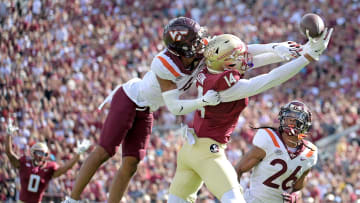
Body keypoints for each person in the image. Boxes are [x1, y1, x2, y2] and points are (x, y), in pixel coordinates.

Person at [64, 16, 305, 203]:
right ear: (181, 49)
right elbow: (175, 107)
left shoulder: (200, 49)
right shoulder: (165, 64)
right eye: (194, 42)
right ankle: (71, 198)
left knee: (132, 163)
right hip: (129, 98)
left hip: (148, 108)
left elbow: (238, 52)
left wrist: (276, 48)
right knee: (105, 151)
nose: (202, 44)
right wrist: (203, 102)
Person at [168, 29, 332, 203]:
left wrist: (281, 49)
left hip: (189, 150)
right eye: (237, 57)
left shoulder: (209, 67)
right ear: (227, 65)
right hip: (208, 153)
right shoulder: (225, 89)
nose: (244, 57)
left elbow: (247, 54)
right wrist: (307, 57)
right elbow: (270, 78)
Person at [236, 101, 318, 203]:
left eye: (296, 120)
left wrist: (296, 196)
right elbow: (238, 170)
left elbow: (298, 188)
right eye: (288, 118)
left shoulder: (309, 153)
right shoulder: (269, 139)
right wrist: (234, 198)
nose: (291, 123)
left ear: (305, 125)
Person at [5, 119, 90, 203]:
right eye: (38, 152)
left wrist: (78, 155)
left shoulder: (49, 167)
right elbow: (9, 153)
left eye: (42, 153)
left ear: (46, 155)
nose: (39, 156)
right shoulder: (24, 162)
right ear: (32, 152)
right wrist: (8, 135)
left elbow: (66, 167)